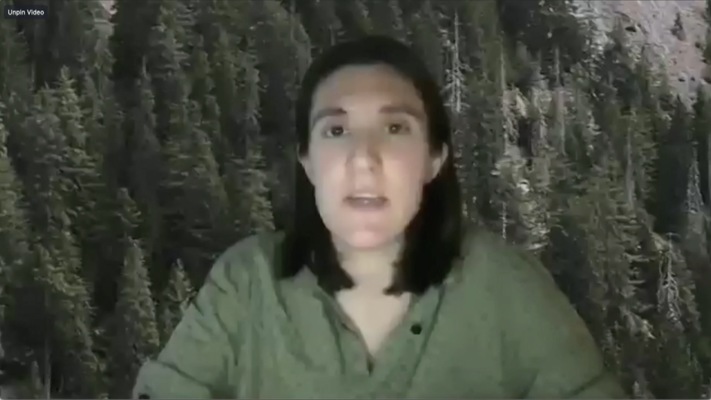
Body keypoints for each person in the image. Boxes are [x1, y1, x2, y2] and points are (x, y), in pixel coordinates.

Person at [132, 35, 626, 399]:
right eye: (336, 130)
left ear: (434, 158)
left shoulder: (506, 286)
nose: (364, 158)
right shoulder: (246, 283)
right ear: (307, 160)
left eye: (394, 128)